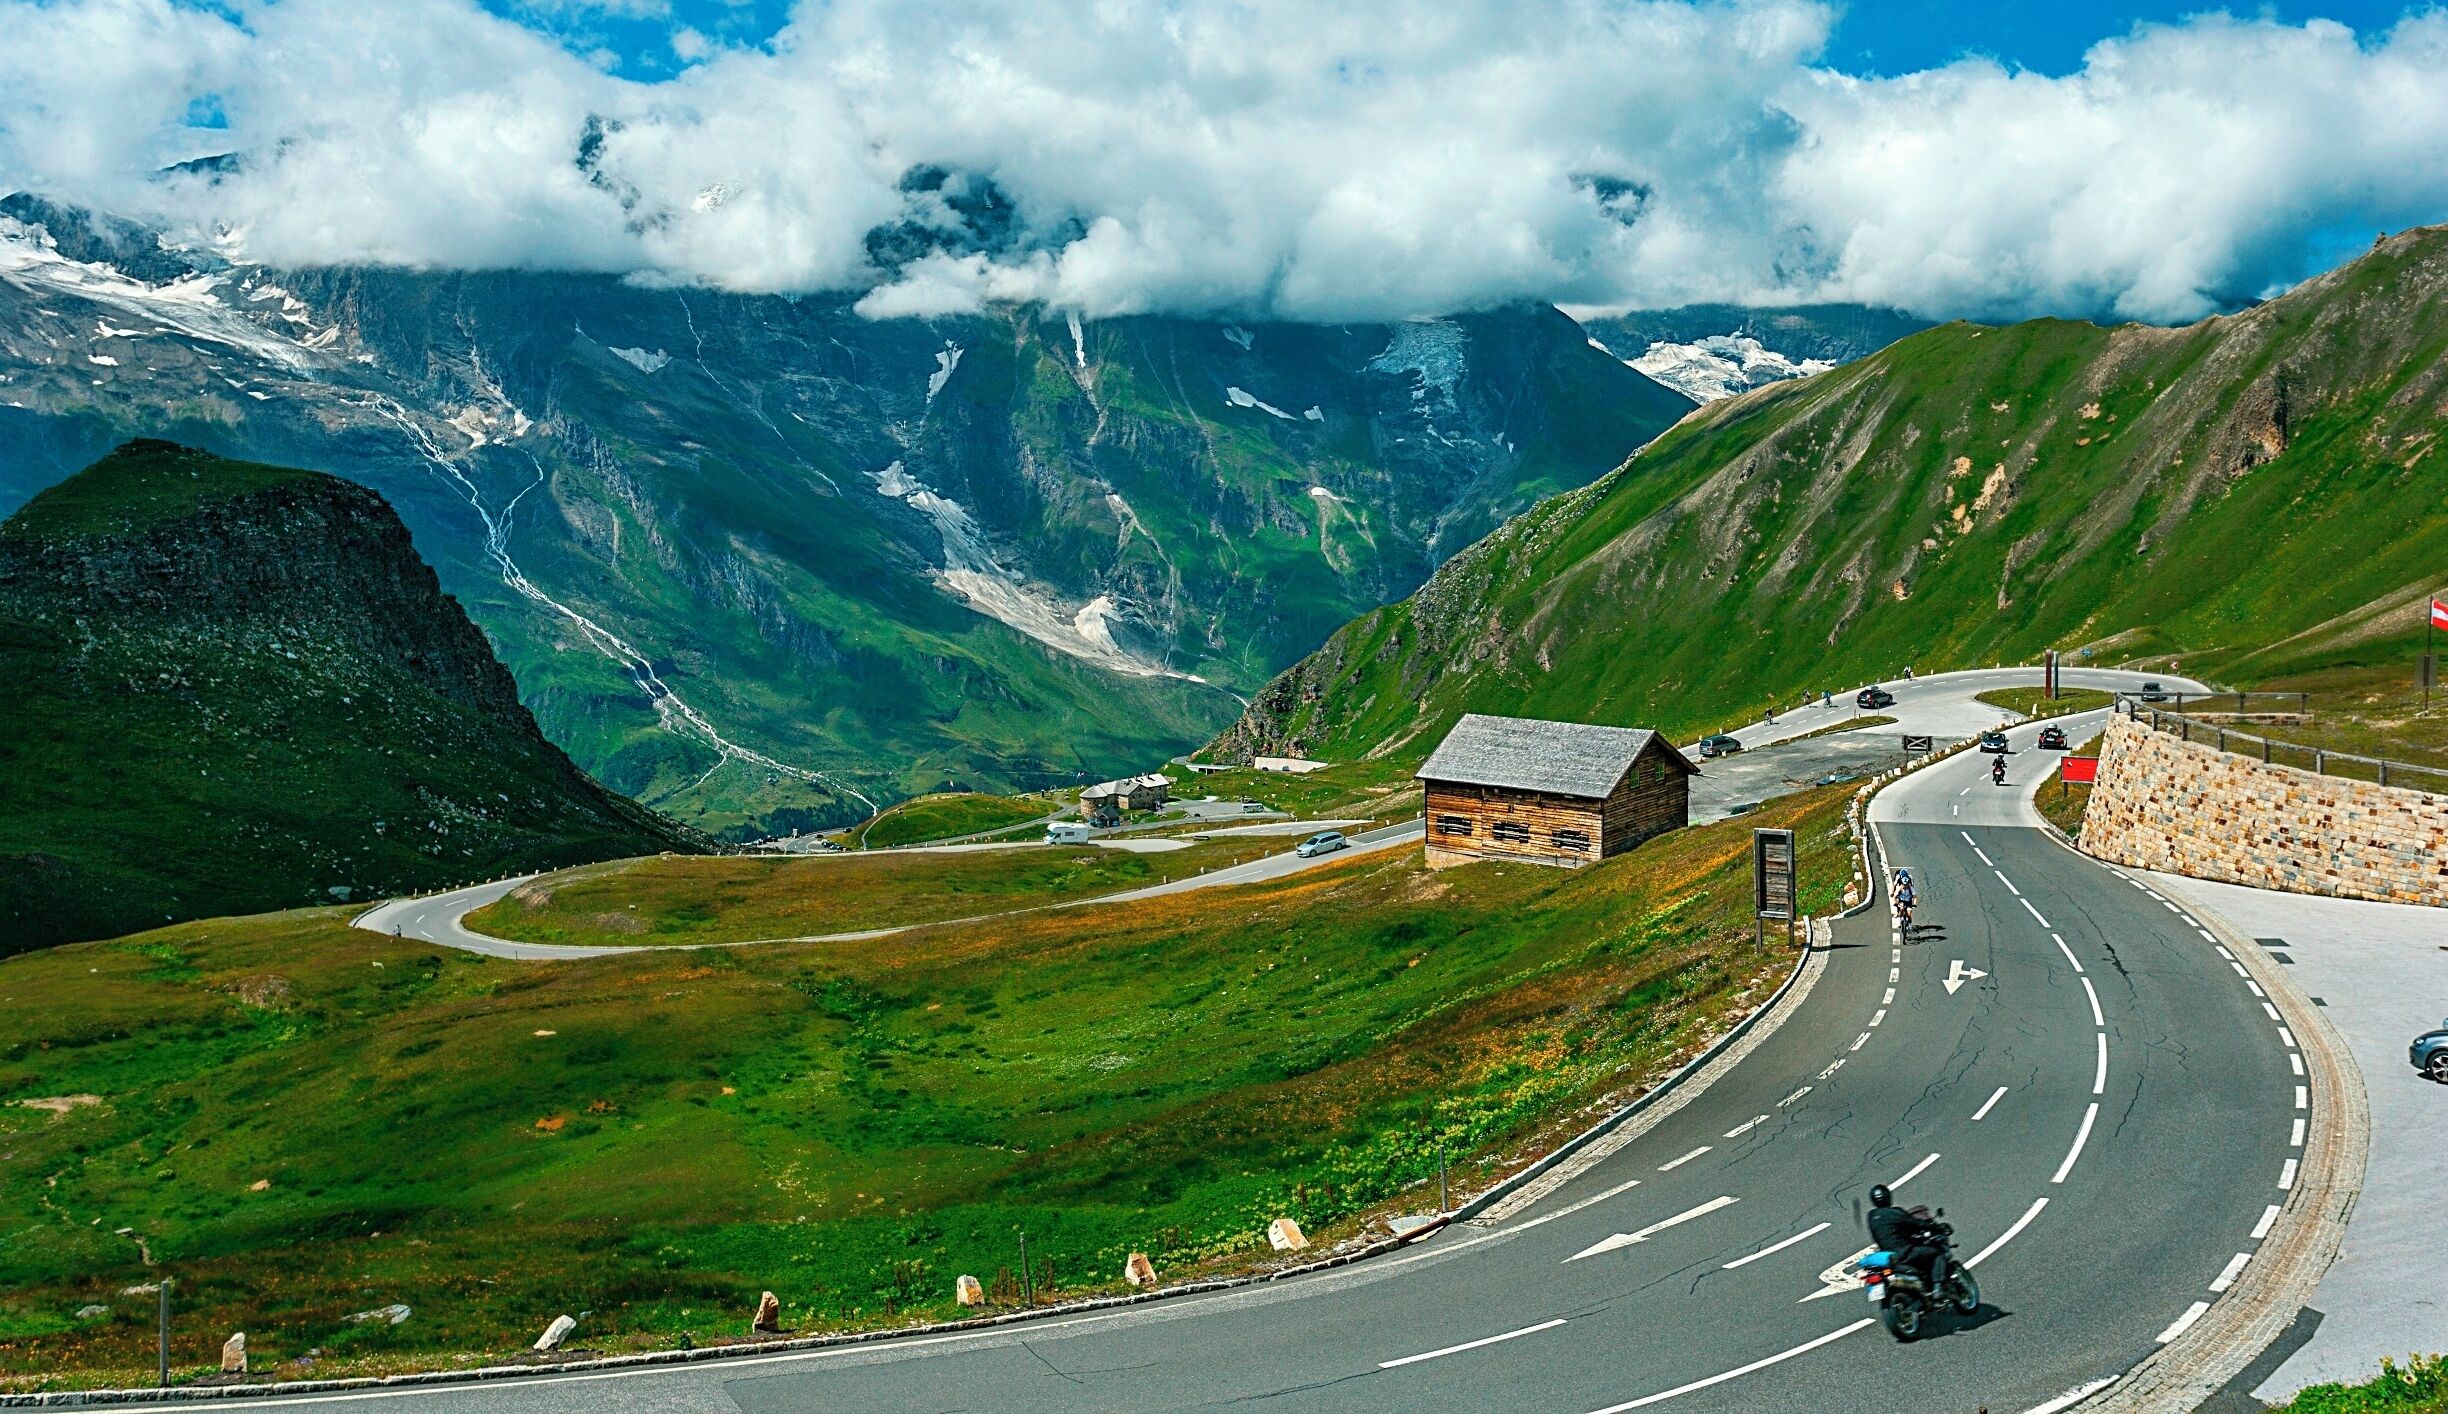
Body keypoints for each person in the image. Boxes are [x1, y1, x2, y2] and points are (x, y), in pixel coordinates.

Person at [1866, 1184, 1943, 1294]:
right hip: (1904, 1253)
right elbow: (1915, 1223)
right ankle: (1937, 1289)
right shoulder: (1895, 1212)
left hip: (1887, 1256)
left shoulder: (1871, 1215)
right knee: (1937, 1253)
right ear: (1888, 1197)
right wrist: (1935, 1227)